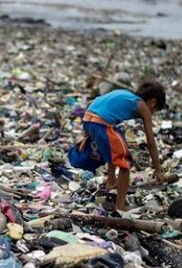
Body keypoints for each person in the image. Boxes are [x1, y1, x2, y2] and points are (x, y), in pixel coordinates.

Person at [68, 80, 166, 211]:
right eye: (155, 110)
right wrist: (158, 170)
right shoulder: (142, 107)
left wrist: (87, 130)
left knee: (117, 144)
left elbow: (92, 102)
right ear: (153, 102)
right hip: (101, 124)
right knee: (125, 162)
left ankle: (111, 181)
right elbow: (151, 143)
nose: (152, 114)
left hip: (88, 119)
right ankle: (120, 206)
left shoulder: (125, 94)